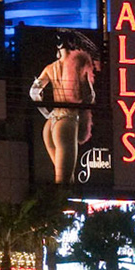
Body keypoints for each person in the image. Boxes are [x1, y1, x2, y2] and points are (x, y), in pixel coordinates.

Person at [29, 31, 99, 185]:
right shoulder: (79, 64)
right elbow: (89, 95)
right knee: (64, 181)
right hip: (67, 123)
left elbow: (33, 92)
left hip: (50, 125)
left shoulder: (50, 68)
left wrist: (46, 114)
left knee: (65, 177)